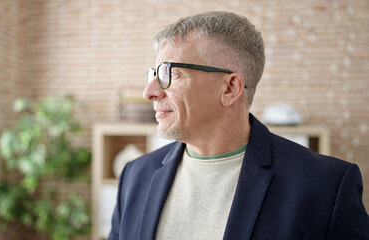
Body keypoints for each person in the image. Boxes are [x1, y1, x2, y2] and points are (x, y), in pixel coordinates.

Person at [108, 11, 369, 240]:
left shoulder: (326, 186)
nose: (148, 92)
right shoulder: (135, 176)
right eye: (152, 74)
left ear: (230, 88)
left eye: (169, 74)